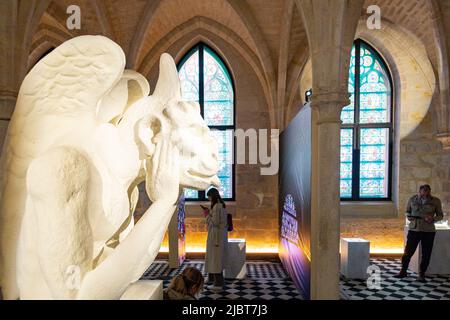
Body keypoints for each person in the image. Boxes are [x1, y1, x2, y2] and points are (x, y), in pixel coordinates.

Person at [395, 184, 443, 282]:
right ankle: (403, 271)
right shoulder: (413, 199)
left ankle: (422, 274)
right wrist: (409, 217)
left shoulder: (435, 201)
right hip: (414, 229)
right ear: (420, 191)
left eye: (427, 190)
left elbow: (440, 215)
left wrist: (433, 219)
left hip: (428, 230)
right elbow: (407, 212)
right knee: (408, 252)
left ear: (430, 191)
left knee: (426, 253)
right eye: (423, 190)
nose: (425, 192)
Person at [203, 188, 228, 291]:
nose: (209, 199)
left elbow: (215, 222)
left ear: (212, 196)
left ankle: (218, 284)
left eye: (209, 197)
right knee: (214, 259)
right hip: (218, 236)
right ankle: (213, 279)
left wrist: (207, 215)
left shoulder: (217, 206)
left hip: (216, 237)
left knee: (216, 260)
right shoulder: (220, 205)